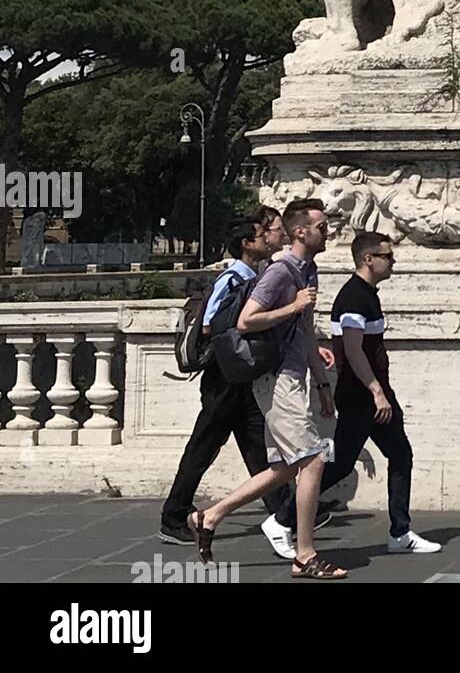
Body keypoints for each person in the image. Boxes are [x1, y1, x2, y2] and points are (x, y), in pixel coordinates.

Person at [190, 200, 347, 580]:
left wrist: (322, 382)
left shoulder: (309, 270)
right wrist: (292, 307)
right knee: (314, 459)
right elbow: (247, 321)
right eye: (322, 227)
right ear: (300, 232)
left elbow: (306, 331)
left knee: (286, 466)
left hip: (295, 378)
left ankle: (210, 515)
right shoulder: (280, 272)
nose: (329, 232)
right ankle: (305, 555)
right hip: (275, 378)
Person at [269, 232, 441, 556]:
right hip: (362, 396)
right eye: (388, 256)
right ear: (368, 259)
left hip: (372, 394)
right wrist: (376, 391)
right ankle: (282, 519)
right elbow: (353, 348)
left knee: (399, 455)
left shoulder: (367, 294)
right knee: (339, 465)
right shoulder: (354, 297)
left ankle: (400, 532)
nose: (393, 261)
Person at [160, 210, 291, 547]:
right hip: (223, 377)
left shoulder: (253, 275)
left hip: (238, 376)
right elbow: (209, 324)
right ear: (247, 244)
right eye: (262, 235)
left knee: (256, 444)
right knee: (203, 447)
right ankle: (173, 516)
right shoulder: (232, 278)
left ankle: (285, 508)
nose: (267, 238)